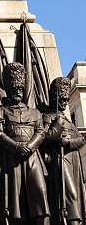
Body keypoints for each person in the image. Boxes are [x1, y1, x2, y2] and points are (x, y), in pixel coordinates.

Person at [0, 63, 50, 225]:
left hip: (32, 157)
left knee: (40, 192)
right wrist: (16, 147)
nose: (18, 92)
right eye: (14, 89)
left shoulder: (35, 113)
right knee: (14, 201)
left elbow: (40, 132)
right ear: (8, 90)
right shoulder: (1, 111)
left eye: (20, 89)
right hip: (11, 158)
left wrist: (30, 147)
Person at [42, 77, 86, 225]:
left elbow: (81, 140)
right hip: (61, 161)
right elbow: (43, 139)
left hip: (74, 160)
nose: (65, 102)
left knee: (78, 197)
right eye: (62, 99)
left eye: (66, 99)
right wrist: (56, 129)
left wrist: (68, 142)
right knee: (70, 195)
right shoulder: (48, 117)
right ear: (55, 98)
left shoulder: (68, 121)